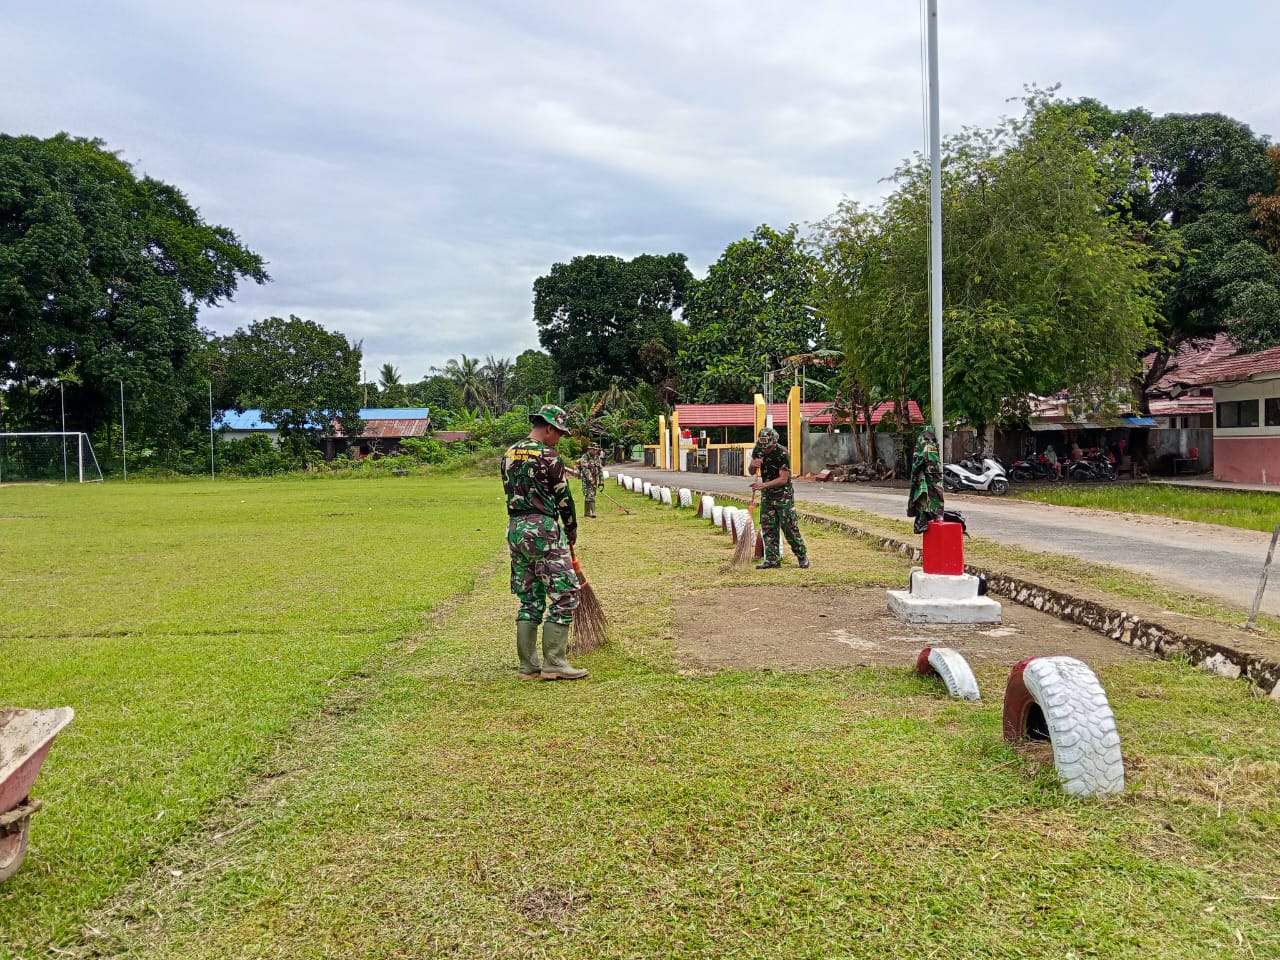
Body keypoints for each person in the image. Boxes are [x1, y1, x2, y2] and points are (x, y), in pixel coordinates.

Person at [500, 404, 587, 681]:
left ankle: (528, 666)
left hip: (516, 529)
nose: (559, 438)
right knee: (564, 595)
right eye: (558, 432)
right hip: (543, 529)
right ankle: (555, 662)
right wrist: (570, 528)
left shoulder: (509, 453)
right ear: (549, 427)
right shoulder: (549, 456)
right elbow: (564, 498)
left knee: (529, 598)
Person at [749, 427, 809, 569]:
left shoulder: (782, 453)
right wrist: (753, 465)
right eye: (764, 446)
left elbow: (783, 479)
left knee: (789, 526)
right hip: (767, 495)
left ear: (774, 443)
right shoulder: (758, 449)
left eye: (768, 446)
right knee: (768, 526)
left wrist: (763, 485)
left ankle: (801, 555)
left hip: (783, 495)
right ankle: (772, 560)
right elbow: (751, 470)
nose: (766, 449)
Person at [907, 425, 944, 535]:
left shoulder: (925, 441)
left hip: (930, 476)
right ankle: (925, 519)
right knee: (925, 496)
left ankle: (928, 518)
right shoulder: (926, 442)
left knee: (927, 496)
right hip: (929, 476)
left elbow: (917, 462)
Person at [576, 443, 603, 518]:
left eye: (596, 449)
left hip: (595, 479)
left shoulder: (597, 458)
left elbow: (600, 469)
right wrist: (590, 479)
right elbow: (584, 469)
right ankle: (593, 512)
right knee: (590, 495)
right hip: (586, 480)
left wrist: (601, 481)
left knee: (590, 495)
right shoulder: (584, 457)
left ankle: (587, 513)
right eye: (593, 449)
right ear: (589, 449)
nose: (595, 451)